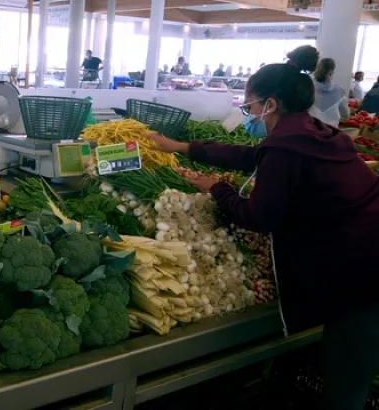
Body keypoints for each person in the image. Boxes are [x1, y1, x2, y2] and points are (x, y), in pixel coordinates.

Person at [150, 63, 379, 410]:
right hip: (366, 259)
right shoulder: (316, 132)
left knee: (345, 385)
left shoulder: (285, 147)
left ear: (270, 104)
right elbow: (253, 156)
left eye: (249, 105)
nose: (247, 113)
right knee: (348, 371)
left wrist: (220, 190)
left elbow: (259, 217)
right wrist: (182, 147)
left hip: (360, 277)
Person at [310, 58, 349, 127]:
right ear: (332, 72)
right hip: (331, 133)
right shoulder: (340, 91)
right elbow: (345, 116)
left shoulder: (307, 88)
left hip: (310, 131)